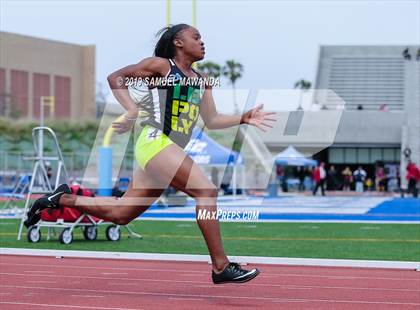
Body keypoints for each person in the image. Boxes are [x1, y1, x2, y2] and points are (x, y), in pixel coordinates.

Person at [25, 24, 276, 284]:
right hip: (155, 141)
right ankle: (221, 266)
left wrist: (243, 118)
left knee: (121, 214)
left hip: (168, 150)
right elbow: (116, 78)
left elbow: (211, 120)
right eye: (196, 37)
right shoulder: (161, 66)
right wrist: (131, 110)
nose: (203, 42)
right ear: (178, 42)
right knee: (206, 191)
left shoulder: (202, 81)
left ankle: (61, 199)